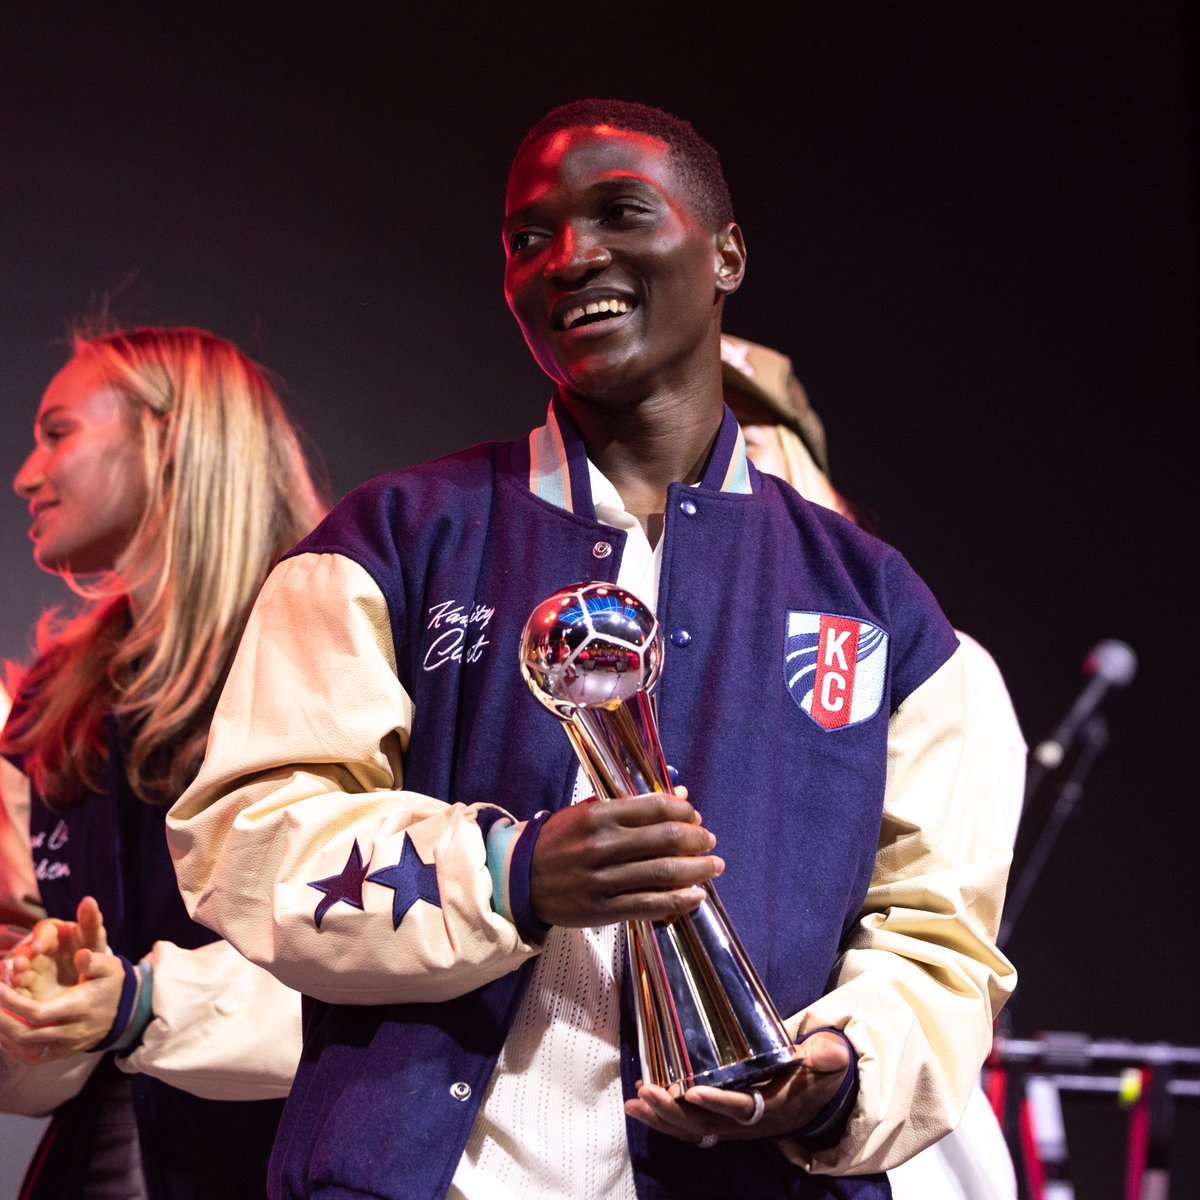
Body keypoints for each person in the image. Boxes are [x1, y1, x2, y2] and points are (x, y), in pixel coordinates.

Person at [168, 100, 1016, 1199]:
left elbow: (937, 942)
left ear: (726, 255)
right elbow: (246, 837)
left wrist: (835, 1074)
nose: (571, 258)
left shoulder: (879, 605)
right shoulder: (393, 541)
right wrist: (510, 872)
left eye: (621, 212)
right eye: (529, 237)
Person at [0, 326, 324, 1199]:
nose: (26, 475)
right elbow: (32, 1063)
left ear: (169, 434)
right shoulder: (49, 704)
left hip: (289, 1166)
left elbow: (389, 960)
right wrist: (36, 1004)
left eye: (58, 432)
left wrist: (141, 1003)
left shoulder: (333, 647)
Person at [721, 332, 1024, 1199]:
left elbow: (937, 927)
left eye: (750, 436)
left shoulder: (934, 663)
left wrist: (836, 1068)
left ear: (820, 479)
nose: (726, 464)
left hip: (882, 1144)